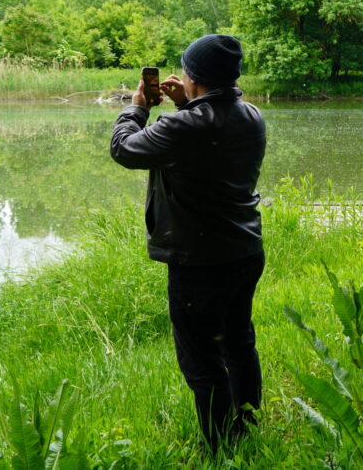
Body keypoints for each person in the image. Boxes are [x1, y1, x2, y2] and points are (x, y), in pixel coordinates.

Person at [109, 34, 266, 450]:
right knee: (238, 342)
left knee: (202, 361)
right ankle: (248, 428)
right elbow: (208, 137)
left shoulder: (183, 126)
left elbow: (123, 149)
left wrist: (137, 106)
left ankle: (219, 447)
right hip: (245, 251)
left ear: (193, 76)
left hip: (199, 261)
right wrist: (186, 103)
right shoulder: (251, 114)